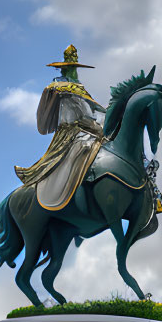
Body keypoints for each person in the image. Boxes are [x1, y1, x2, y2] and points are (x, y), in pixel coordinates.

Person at [15, 45, 107, 211]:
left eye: (74, 68)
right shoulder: (57, 85)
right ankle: (73, 183)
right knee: (83, 145)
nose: (74, 71)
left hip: (89, 126)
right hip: (71, 130)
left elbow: (94, 108)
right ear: (64, 69)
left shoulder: (80, 87)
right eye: (71, 68)